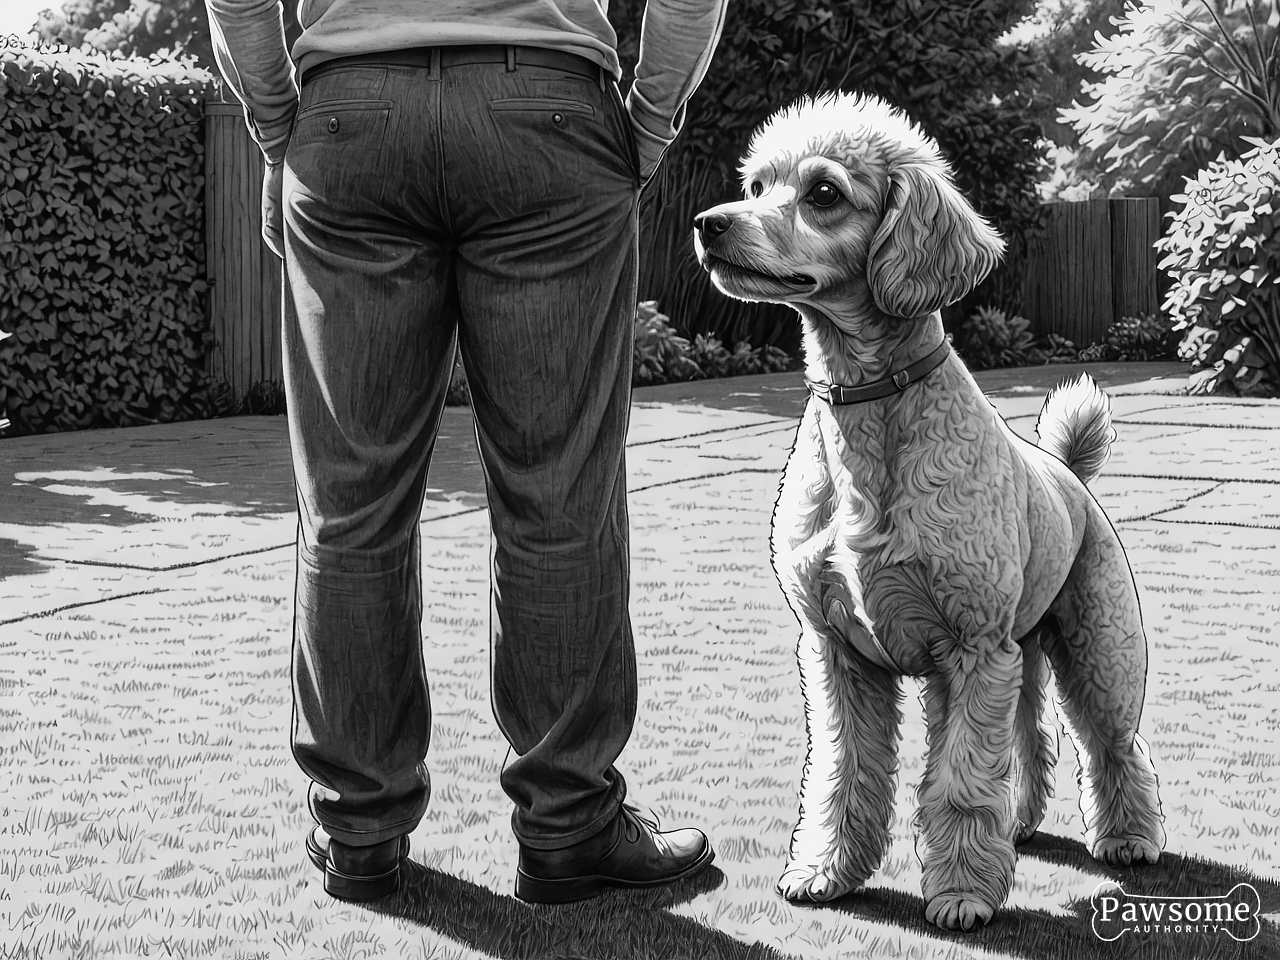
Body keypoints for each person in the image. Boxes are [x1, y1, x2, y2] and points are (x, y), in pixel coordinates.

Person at [202, 0, 728, 904]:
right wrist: (644, 128)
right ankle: (568, 827)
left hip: (349, 118)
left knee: (350, 503)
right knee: (559, 495)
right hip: (548, 118)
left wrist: (282, 129)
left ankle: (359, 829)